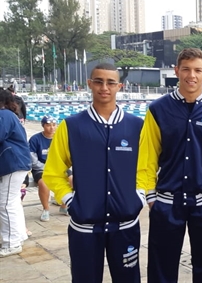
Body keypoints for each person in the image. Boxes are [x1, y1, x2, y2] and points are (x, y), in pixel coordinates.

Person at [137, 48, 202, 283]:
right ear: (177, 71)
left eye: (198, 70)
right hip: (167, 202)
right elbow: (148, 155)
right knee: (161, 267)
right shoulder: (158, 109)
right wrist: (149, 194)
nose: (192, 75)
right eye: (187, 69)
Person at [43, 63, 145, 283]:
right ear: (89, 84)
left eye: (110, 82)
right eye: (98, 81)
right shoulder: (71, 126)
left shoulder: (137, 126)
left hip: (125, 225)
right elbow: (52, 172)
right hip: (84, 226)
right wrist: (70, 200)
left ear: (120, 86)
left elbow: (149, 167)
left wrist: (139, 197)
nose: (104, 87)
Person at [0, 89, 31, 257]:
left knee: (6, 204)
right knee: (12, 202)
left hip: (13, 163)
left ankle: (11, 243)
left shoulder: (3, 115)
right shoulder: (9, 114)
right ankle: (18, 236)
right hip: (17, 163)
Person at [29, 115, 70, 221]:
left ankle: (64, 206)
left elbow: (67, 156)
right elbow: (33, 160)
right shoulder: (35, 139)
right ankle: (46, 209)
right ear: (43, 126)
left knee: (71, 180)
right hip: (40, 169)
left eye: (54, 125)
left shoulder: (61, 138)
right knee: (43, 183)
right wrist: (49, 168)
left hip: (59, 167)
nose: (52, 128)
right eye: (48, 125)